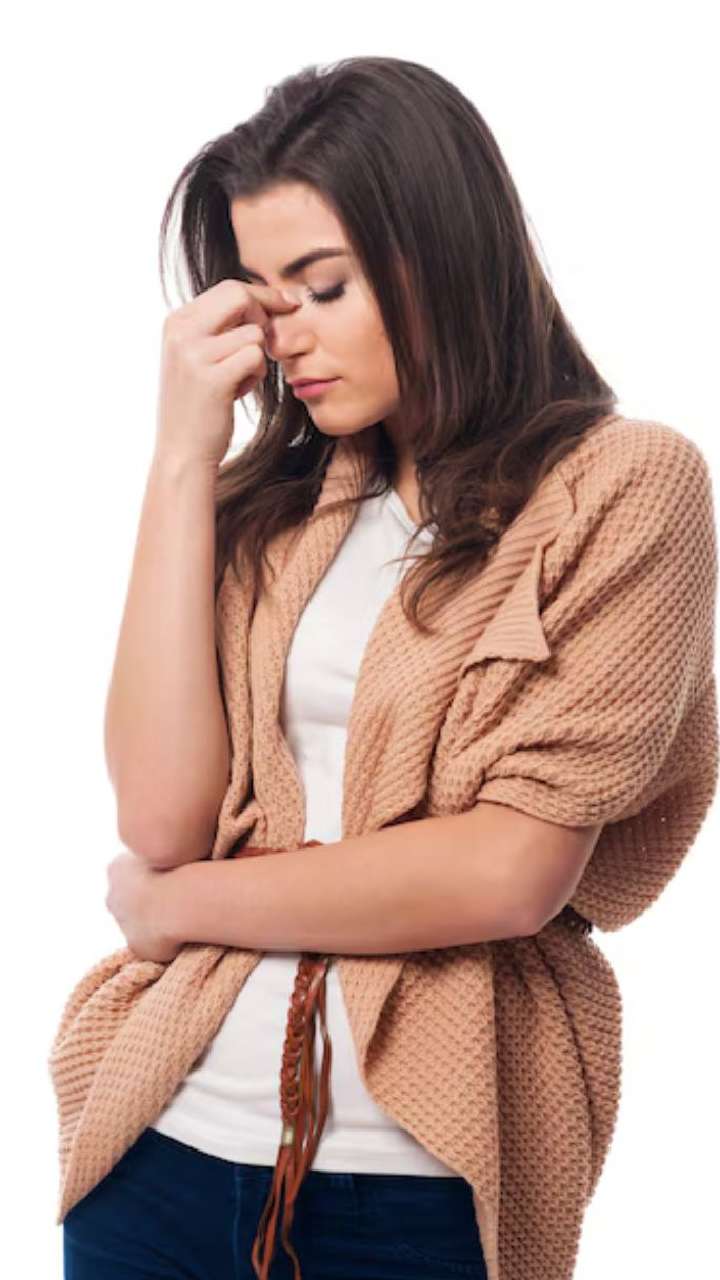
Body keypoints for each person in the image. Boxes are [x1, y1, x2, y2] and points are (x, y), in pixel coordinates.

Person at [56, 55, 718, 1280]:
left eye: (324, 286)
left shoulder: (626, 487)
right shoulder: (265, 509)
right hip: (158, 1152)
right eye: (264, 301)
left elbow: (509, 871)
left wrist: (177, 906)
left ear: (445, 253)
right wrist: (182, 459)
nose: (287, 337)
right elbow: (160, 818)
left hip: (414, 1185)